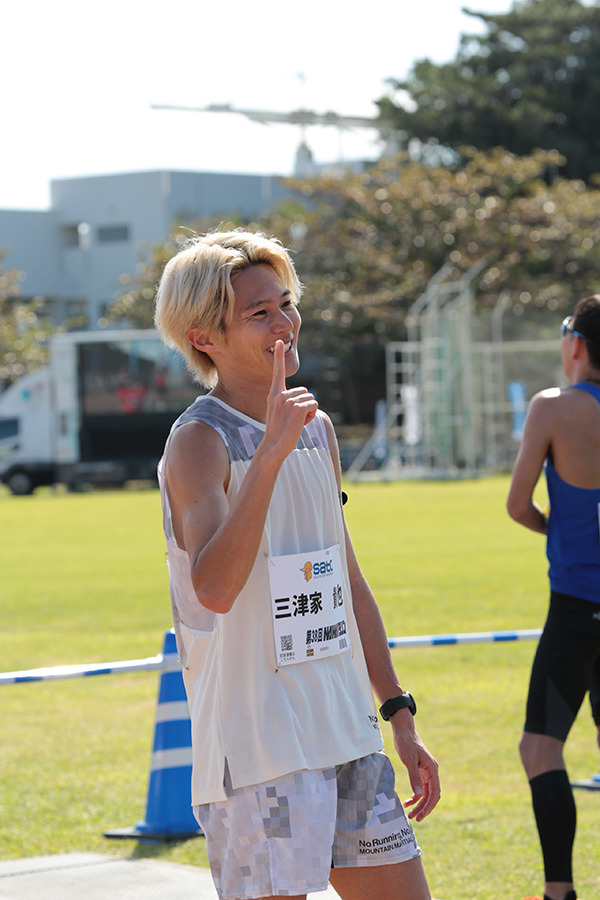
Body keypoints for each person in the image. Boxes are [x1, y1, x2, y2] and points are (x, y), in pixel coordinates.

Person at [154, 230, 440, 900]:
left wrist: (398, 712)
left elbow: (346, 579)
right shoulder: (199, 440)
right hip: (259, 749)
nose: (284, 322)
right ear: (204, 338)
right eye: (260, 313)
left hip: (346, 732)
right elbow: (214, 588)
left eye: (286, 303)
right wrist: (269, 454)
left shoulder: (318, 427)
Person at [507, 295, 600, 900]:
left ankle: (559, 891)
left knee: (540, 749)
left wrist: (561, 531)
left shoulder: (553, 407)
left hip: (575, 610)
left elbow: (518, 506)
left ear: (577, 345)